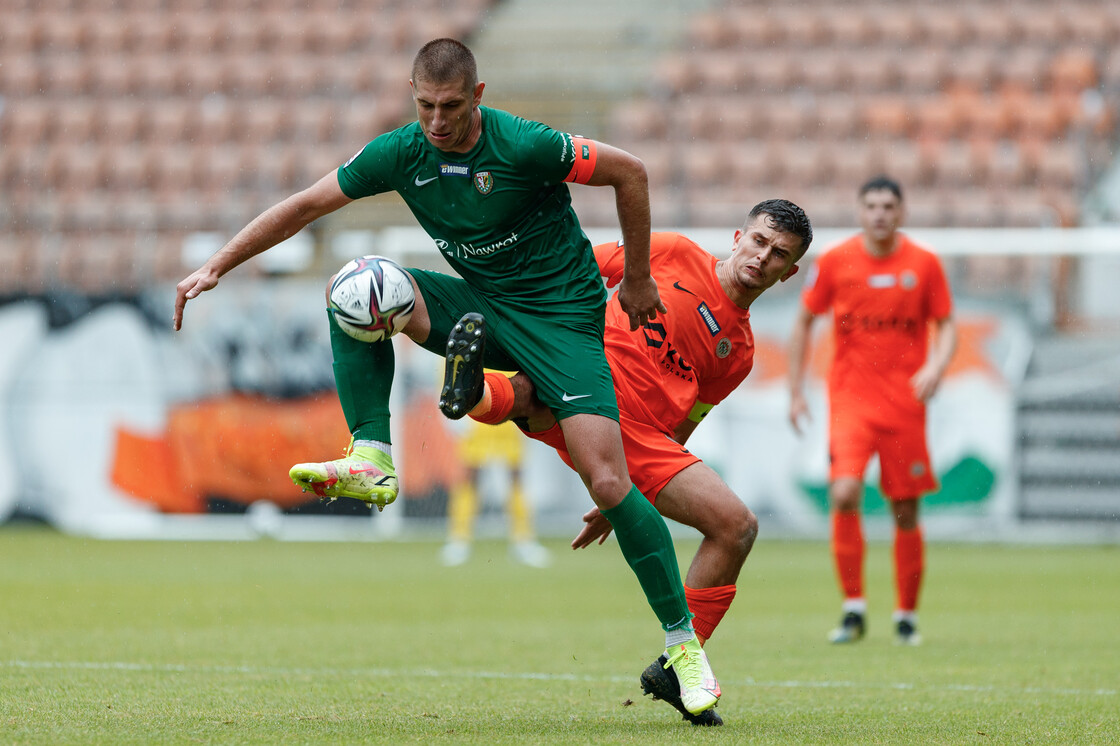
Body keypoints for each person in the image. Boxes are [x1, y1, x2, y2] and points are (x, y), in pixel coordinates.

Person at [172, 38, 718, 715]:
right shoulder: (401, 152)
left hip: (562, 321)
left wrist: (636, 279)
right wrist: (217, 266)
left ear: (478, 96)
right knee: (359, 289)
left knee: (608, 480)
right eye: (426, 106)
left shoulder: (524, 144)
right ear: (413, 97)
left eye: (452, 107)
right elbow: (308, 204)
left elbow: (630, 171)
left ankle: (684, 647)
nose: (437, 121)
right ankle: (372, 453)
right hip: (481, 306)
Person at [453, 199, 813, 725]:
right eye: (759, 241)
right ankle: (472, 388)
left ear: (790, 272)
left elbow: (686, 424)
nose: (763, 257)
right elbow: (579, 269)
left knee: (736, 526)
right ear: (739, 236)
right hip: (587, 383)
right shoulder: (673, 253)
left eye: (779, 254)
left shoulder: (739, 351)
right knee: (535, 391)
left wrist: (625, 487)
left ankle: (677, 664)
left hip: (639, 440)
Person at [787, 176, 957, 646]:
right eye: (872, 205)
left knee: (905, 509)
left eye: (888, 206)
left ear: (901, 212)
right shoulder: (836, 261)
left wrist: (937, 366)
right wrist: (796, 391)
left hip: (905, 403)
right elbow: (803, 321)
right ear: (860, 211)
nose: (880, 213)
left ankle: (905, 615)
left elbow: (946, 324)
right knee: (843, 493)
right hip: (851, 399)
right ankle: (853, 608)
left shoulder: (924, 264)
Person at [442, 405, 551, 568]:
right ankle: (459, 539)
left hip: (510, 411)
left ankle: (523, 539)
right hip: (478, 412)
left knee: (516, 476)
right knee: (469, 477)